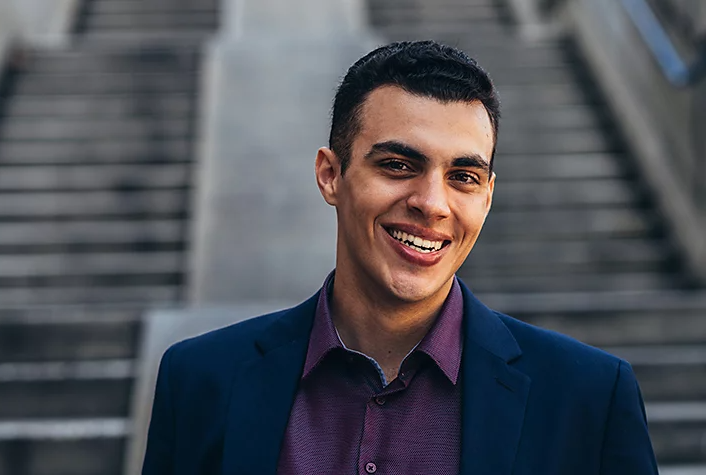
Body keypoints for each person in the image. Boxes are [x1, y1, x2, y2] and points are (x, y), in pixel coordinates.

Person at [142, 40, 658, 475]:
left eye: (464, 177)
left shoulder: (589, 397)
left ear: (488, 196)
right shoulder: (200, 382)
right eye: (397, 164)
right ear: (331, 175)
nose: (432, 203)